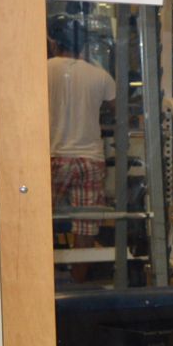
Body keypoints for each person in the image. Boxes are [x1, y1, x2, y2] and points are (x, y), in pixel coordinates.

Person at [47, 24, 117, 281]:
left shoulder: (41, 69)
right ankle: (77, 283)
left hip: (53, 157)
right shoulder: (100, 76)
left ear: (55, 43)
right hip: (90, 160)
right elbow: (118, 109)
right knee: (86, 227)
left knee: (40, 219)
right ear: (83, 47)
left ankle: (44, 282)